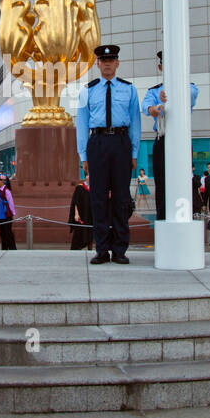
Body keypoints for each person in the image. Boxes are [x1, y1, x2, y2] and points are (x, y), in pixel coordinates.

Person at [76, 44, 141, 264]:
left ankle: (120, 249)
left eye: (111, 60)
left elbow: (135, 123)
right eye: (103, 61)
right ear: (98, 64)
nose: (107, 64)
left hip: (121, 142)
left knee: (122, 198)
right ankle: (102, 249)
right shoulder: (87, 90)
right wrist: (83, 157)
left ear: (117, 63)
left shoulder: (129, 89)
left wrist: (134, 152)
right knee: (98, 198)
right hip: (98, 143)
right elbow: (82, 124)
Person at [141, 49, 199, 220]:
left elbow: (191, 94)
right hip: (163, 140)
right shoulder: (154, 92)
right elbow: (147, 107)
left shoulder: (190, 87)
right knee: (162, 183)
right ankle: (163, 218)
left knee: (182, 181)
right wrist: (156, 107)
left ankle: (183, 217)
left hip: (180, 141)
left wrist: (174, 90)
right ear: (160, 67)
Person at [0, 174, 16, 249]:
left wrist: (13, 213)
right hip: (0, 215)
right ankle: (4, 248)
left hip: (6, 215)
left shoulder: (6, 190)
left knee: (8, 232)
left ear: (1, 181)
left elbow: (11, 203)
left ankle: (12, 248)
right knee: (2, 232)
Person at [68, 177, 92, 249]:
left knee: (90, 233)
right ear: (85, 177)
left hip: (90, 215)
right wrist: (76, 214)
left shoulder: (95, 188)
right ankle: (75, 249)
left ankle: (90, 249)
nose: (89, 177)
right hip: (81, 215)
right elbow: (75, 202)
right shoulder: (80, 187)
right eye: (88, 175)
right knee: (79, 233)